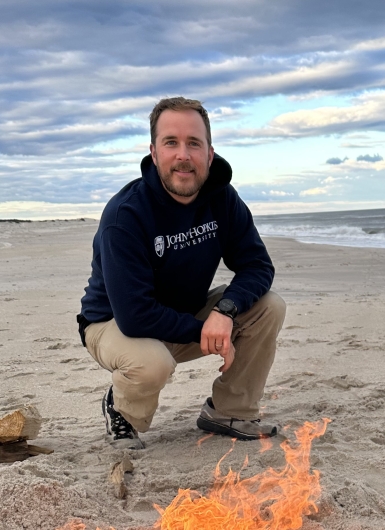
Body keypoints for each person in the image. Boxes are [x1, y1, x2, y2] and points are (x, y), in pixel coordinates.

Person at [77, 97, 285, 449]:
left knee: (269, 306)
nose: (183, 155)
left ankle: (229, 411)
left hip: (183, 315)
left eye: (194, 143)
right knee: (151, 363)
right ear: (154, 152)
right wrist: (207, 328)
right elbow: (135, 315)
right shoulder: (126, 215)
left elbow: (258, 265)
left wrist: (225, 311)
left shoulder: (223, 199)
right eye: (171, 142)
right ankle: (122, 410)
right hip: (114, 324)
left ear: (210, 152)